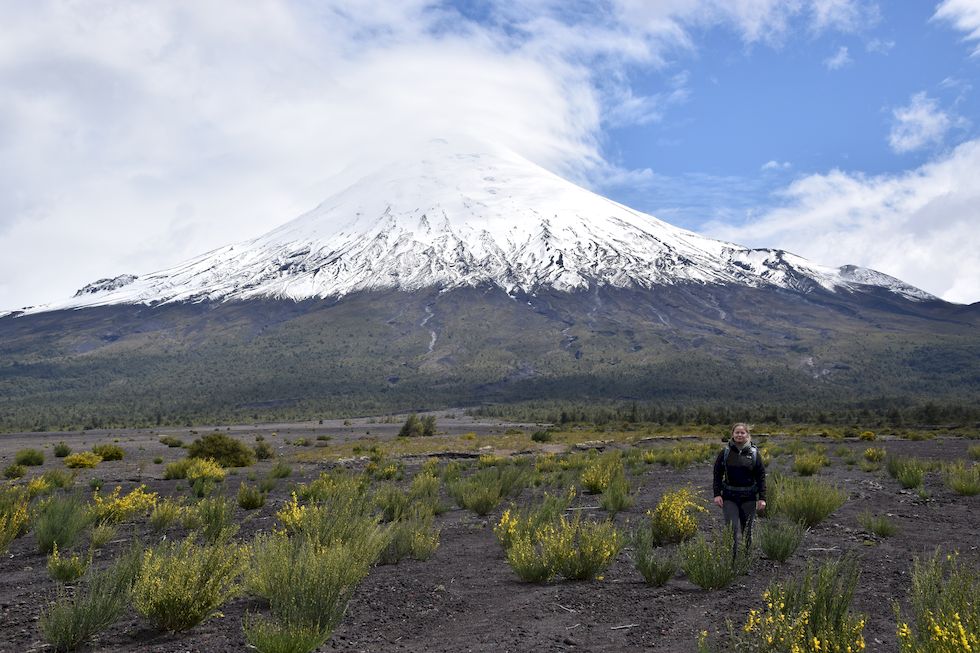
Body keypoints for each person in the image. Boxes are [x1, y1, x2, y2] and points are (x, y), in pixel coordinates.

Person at [713, 422, 766, 560]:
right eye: (737, 432)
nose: (739, 435)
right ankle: (732, 560)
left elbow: (761, 477)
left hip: (748, 497)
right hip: (729, 497)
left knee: (747, 530)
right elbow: (717, 474)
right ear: (732, 435)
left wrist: (762, 498)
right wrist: (717, 494)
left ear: (747, 435)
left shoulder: (754, 453)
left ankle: (746, 559)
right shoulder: (725, 453)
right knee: (732, 529)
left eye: (742, 433)